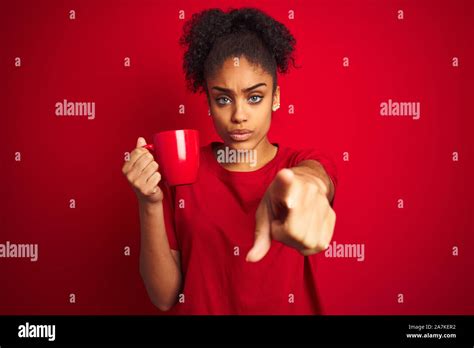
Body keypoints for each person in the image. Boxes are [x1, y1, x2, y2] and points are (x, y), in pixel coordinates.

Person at [122, 7, 338, 315]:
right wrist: (149, 202)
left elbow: (315, 178)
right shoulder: (181, 172)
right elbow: (164, 296)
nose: (238, 115)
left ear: (276, 97)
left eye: (254, 97)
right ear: (208, 101)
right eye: (223, 98)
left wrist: (308, 187)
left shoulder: (299, 163)